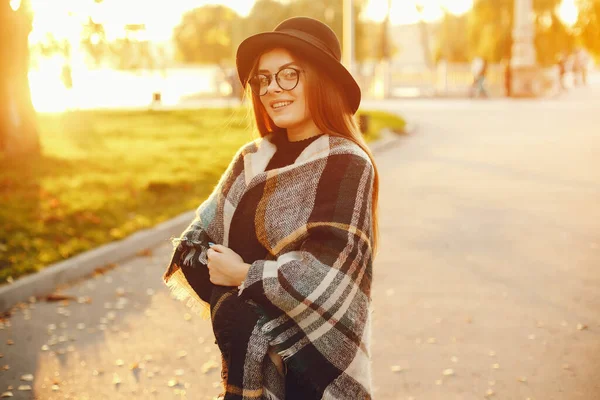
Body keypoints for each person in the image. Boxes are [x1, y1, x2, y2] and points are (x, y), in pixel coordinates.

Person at [163, 17, 378, 399]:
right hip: (247, 372)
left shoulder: (347, 164)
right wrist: (238, 302)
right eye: (263, 79)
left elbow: (327, 278)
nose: (272, 89)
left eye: (288, 75)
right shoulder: (251, 159)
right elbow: (194, 245)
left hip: (314, 373)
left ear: (321, 80)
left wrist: (244, 274)